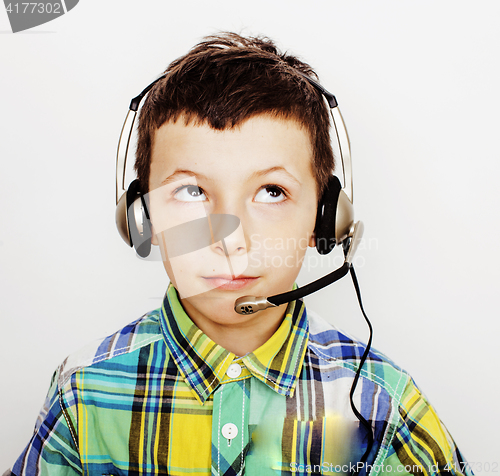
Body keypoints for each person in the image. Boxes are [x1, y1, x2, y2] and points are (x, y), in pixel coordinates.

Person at [8, 32, 472, 476]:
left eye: (272, 192)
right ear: (141, 218)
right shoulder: (83, 391)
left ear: (325, 220)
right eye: (191, 191)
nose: (230, 240)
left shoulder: (380, 402)